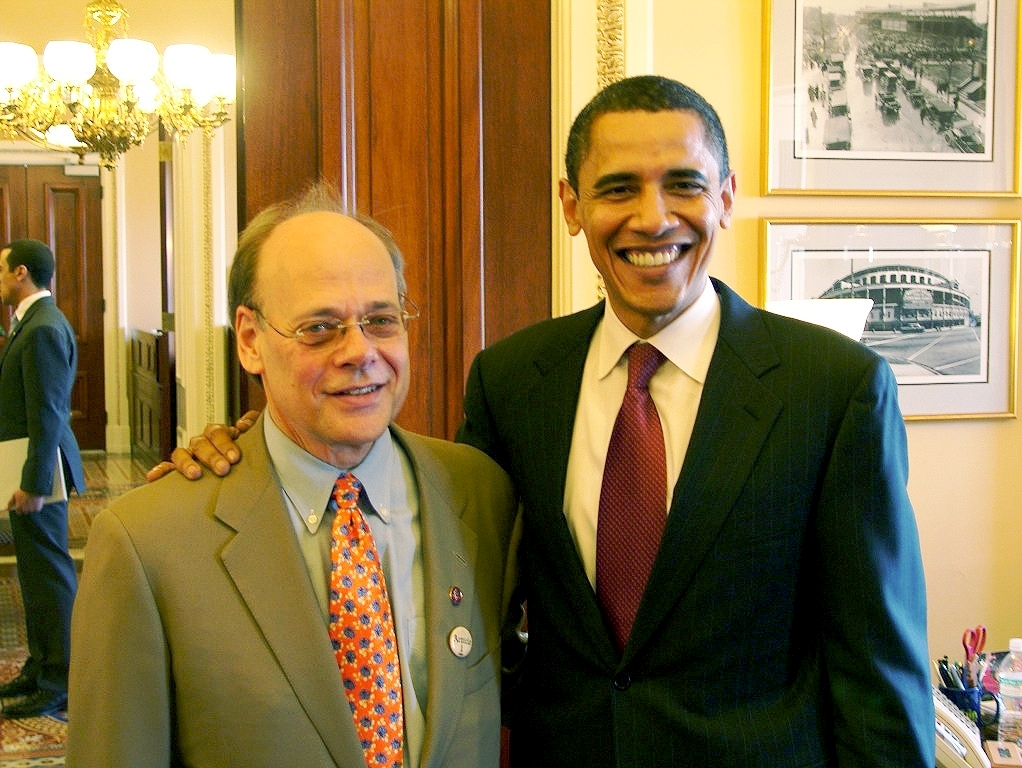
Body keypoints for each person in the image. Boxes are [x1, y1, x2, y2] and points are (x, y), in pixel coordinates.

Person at [158, 76, 935, 767]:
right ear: (572, 205)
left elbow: (878, 668)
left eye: (685, 185)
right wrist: (247, 449)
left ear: (726, 197)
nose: (652, 217)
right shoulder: (514, 380)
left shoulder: (834, 389)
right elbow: (444, 555)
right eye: (619, 187)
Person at [67, 184, 518, 767]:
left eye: (381, 319)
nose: (360, 351)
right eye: (320, 328)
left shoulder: (480, 492)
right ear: (251, 340)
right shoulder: (145, 544)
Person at [0, 239, 85, 719]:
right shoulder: (30, 323)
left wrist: (33, 485)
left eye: (1, 269)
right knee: (35, 573)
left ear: (21, 273)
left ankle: (60, 680)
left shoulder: (43, 329)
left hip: (42, 474)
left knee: (50, 575)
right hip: (31, 468)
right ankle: (40, 666)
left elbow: (48, 413)